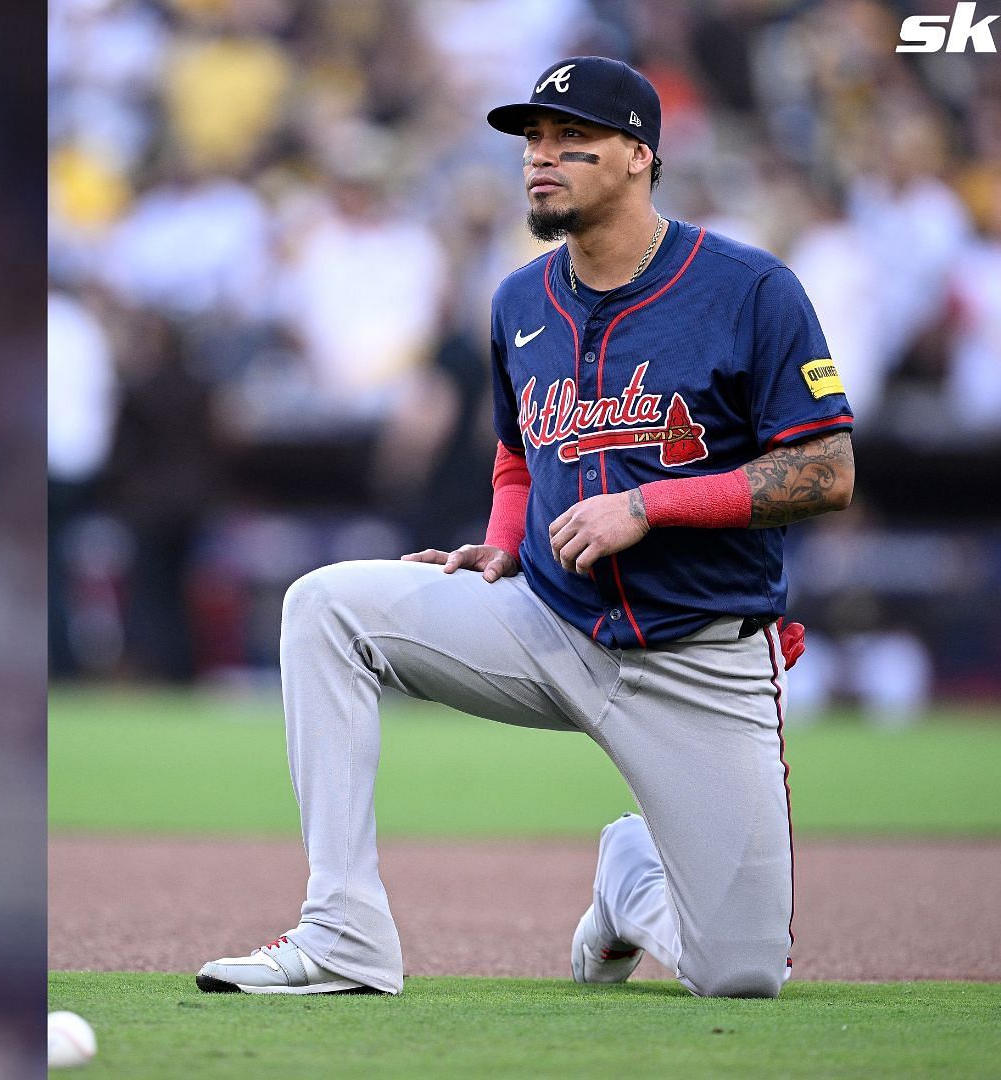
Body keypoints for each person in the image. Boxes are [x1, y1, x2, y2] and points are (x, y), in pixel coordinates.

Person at [196, 56, 852, 1000]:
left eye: (567, 138)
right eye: (532, 139)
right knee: (324, 605)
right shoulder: (518, 300)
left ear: (637, 154)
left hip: (698, 655)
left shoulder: (750, 289)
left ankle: (632, 881)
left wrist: (647, 504)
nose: (540, 157)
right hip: (547, 624)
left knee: (740, 977)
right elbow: (517, 454)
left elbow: (829, 471)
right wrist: (504, 538)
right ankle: (342, 936)